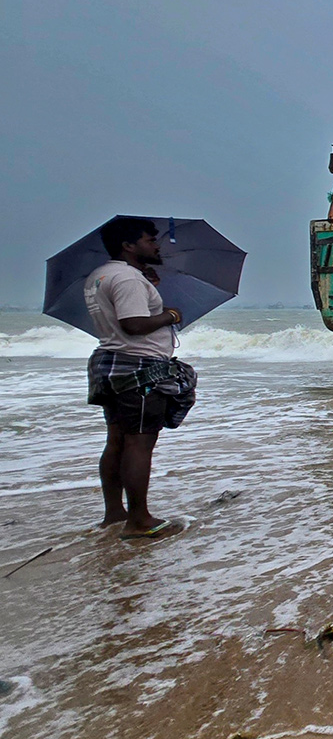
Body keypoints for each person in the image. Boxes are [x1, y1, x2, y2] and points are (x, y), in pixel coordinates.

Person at [85, 217, 195, 537]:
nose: (156, 245)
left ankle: (115, 514)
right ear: (129, 245)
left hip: (111, 363)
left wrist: (148, 287)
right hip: (139, 368)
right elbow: (133, 324)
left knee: (117, 439)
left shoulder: (100, 275)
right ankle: (139, 520)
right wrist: (170, 315)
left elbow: (121, 319)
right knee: (140, 442)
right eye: (150, 240)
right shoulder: (129, 280)